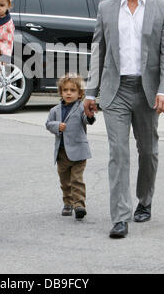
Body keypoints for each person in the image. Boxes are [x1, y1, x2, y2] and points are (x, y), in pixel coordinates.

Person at [84, 0, 164, 239]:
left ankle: (144, 200)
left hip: (148, 92)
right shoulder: (106, 8)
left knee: (147, 152)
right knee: (118, 153)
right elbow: (98, 51)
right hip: (116, 90)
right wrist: (90, 92)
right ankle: (120, 217)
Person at [46, 73, 95, 219]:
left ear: (80, 93)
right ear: (61, 92)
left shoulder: (81, 108)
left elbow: (86, 120)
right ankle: (67, 203)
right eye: (65, 90)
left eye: (72, 90)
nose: (68, 93)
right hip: (62, 153)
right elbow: (48, 124)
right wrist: (56, 126)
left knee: (77, 179)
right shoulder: (55, 110)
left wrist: (90, 115)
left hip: (79, 152)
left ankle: (79, 205)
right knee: (65, 181)